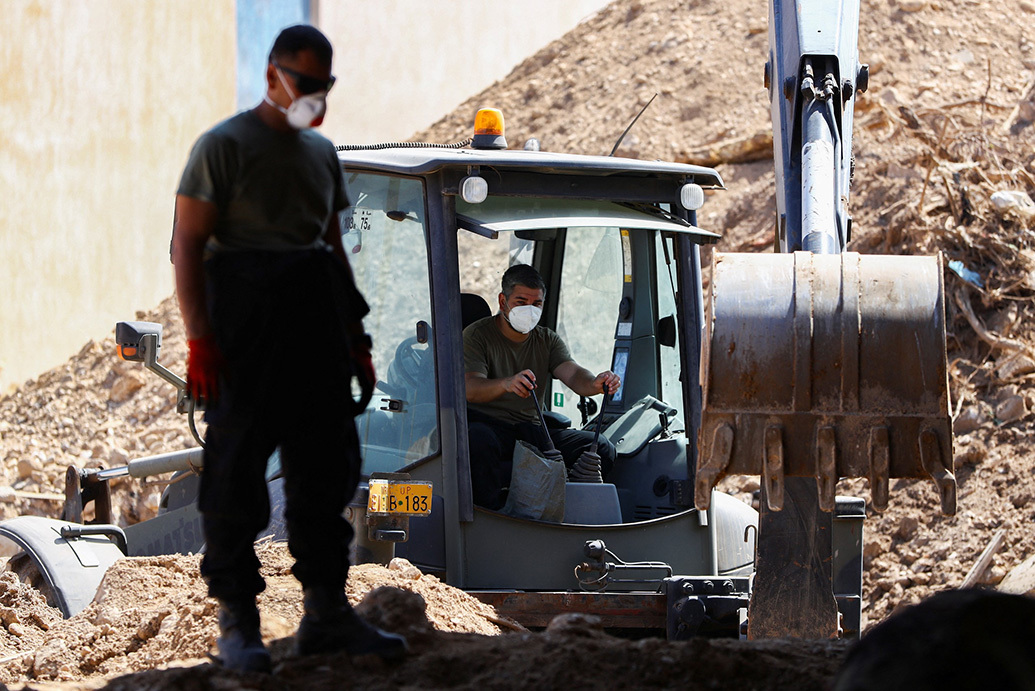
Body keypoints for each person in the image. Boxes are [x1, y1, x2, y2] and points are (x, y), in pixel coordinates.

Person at [172, 25, 405, 673]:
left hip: (315, 324)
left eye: (322, 87)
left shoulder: (319, 155)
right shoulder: (221, 147)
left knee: (327, 469)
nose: (314, 97)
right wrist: (199, 342)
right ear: (273, 75)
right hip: (244, 327)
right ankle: (238, 625)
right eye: (304, 84)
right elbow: (187, 244)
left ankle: (326, 613)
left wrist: (354, 340)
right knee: (235, 475)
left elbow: (330, 247)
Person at [463, 264, 621, 510]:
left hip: (531, 429)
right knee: (477, 441)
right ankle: (490, 517)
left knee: (600, 447)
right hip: (488, 425)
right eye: (521, 301)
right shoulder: (477, 336)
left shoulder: (547, 339)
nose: (529, 310)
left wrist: (595, 383)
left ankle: (567, 513)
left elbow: (572, 373)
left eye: (536, 304)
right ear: (503, 301)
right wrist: (506, 383)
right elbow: (470, 387)